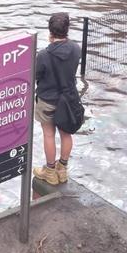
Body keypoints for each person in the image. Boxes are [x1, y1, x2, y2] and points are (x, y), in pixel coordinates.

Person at [33, 12, 81, 186]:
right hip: (68, 100)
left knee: (48, 134)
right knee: (66, 134)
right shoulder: (76, 49)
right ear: (67, 29)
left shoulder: (43, 55)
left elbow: (35, 76)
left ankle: (50, 171)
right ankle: (63, 169)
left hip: (47, 100)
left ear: (50, 32)